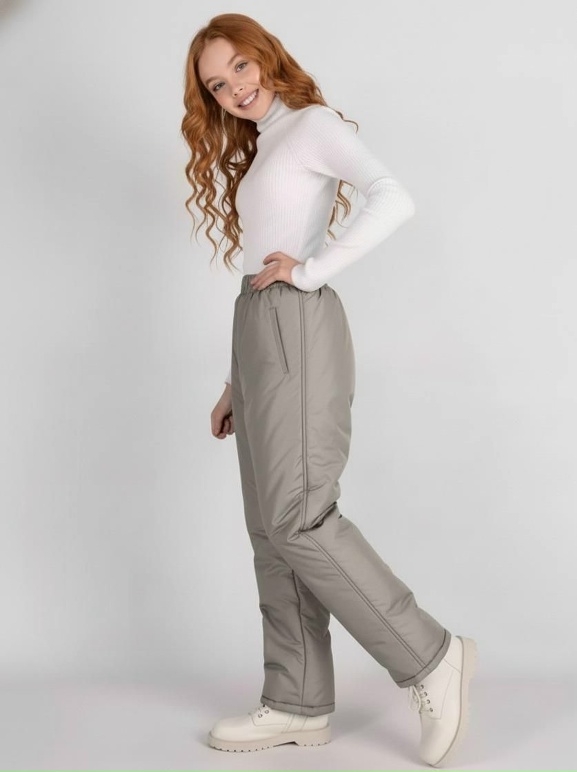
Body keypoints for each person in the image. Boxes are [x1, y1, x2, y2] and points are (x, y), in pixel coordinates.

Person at [181, 13, 477, 767]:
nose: (233, 88)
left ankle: (431, 656)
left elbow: (393, 196)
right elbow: (261, 256)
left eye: (240, 67)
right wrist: (234, 381)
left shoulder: (311, 125)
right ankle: (296, 700)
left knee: (299, 517)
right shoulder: (265, 146)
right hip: (258, 330)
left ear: (265, 56)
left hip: (296, 325)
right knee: (270, 529)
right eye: (216, 84)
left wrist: (311, 272)